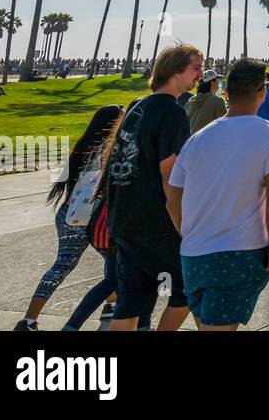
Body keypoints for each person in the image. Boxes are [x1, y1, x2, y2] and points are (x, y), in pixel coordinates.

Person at [165, 59, 269, 330]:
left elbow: (173, 199)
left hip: (193, 257)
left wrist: (188, 235)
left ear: (226, 92)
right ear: (262, 91)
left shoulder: (196, 139)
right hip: (239, 253)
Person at [104, 44, 203, 331]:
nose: (199, 75)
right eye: (195, 68)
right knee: (186, 291)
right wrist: (183, 225)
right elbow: (169, 176)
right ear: (176, 70)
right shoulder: (172, 112)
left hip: (124, 219)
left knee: (130, 303)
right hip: (156, 224)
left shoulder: (138, 105)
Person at [14, 104, 122, 331]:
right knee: (116, 263)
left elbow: (64, 182)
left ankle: (29, 320)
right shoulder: (110, 149)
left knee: (63, 265)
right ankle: (109, 307)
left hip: (68, 213)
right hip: (91, 218)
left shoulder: (81, 147)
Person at [185, 69, 225, 135]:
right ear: (213, 82)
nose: (218, 82)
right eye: (217, 80)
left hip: (191, 142)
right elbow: (225, 125)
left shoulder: (190, 101)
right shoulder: (217, 101)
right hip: (208, 142)